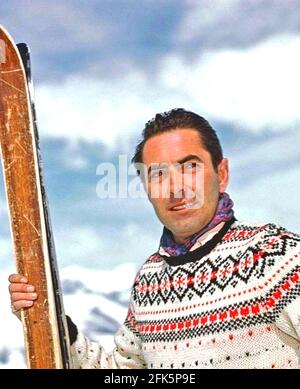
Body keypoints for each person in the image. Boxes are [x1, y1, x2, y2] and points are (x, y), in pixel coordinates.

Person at [8, 108, 300, 369]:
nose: (175, 187)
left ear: (221, 174)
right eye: (158, 174)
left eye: (190, 166)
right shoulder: (149, 281)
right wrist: (49, 320)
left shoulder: (276, 256)